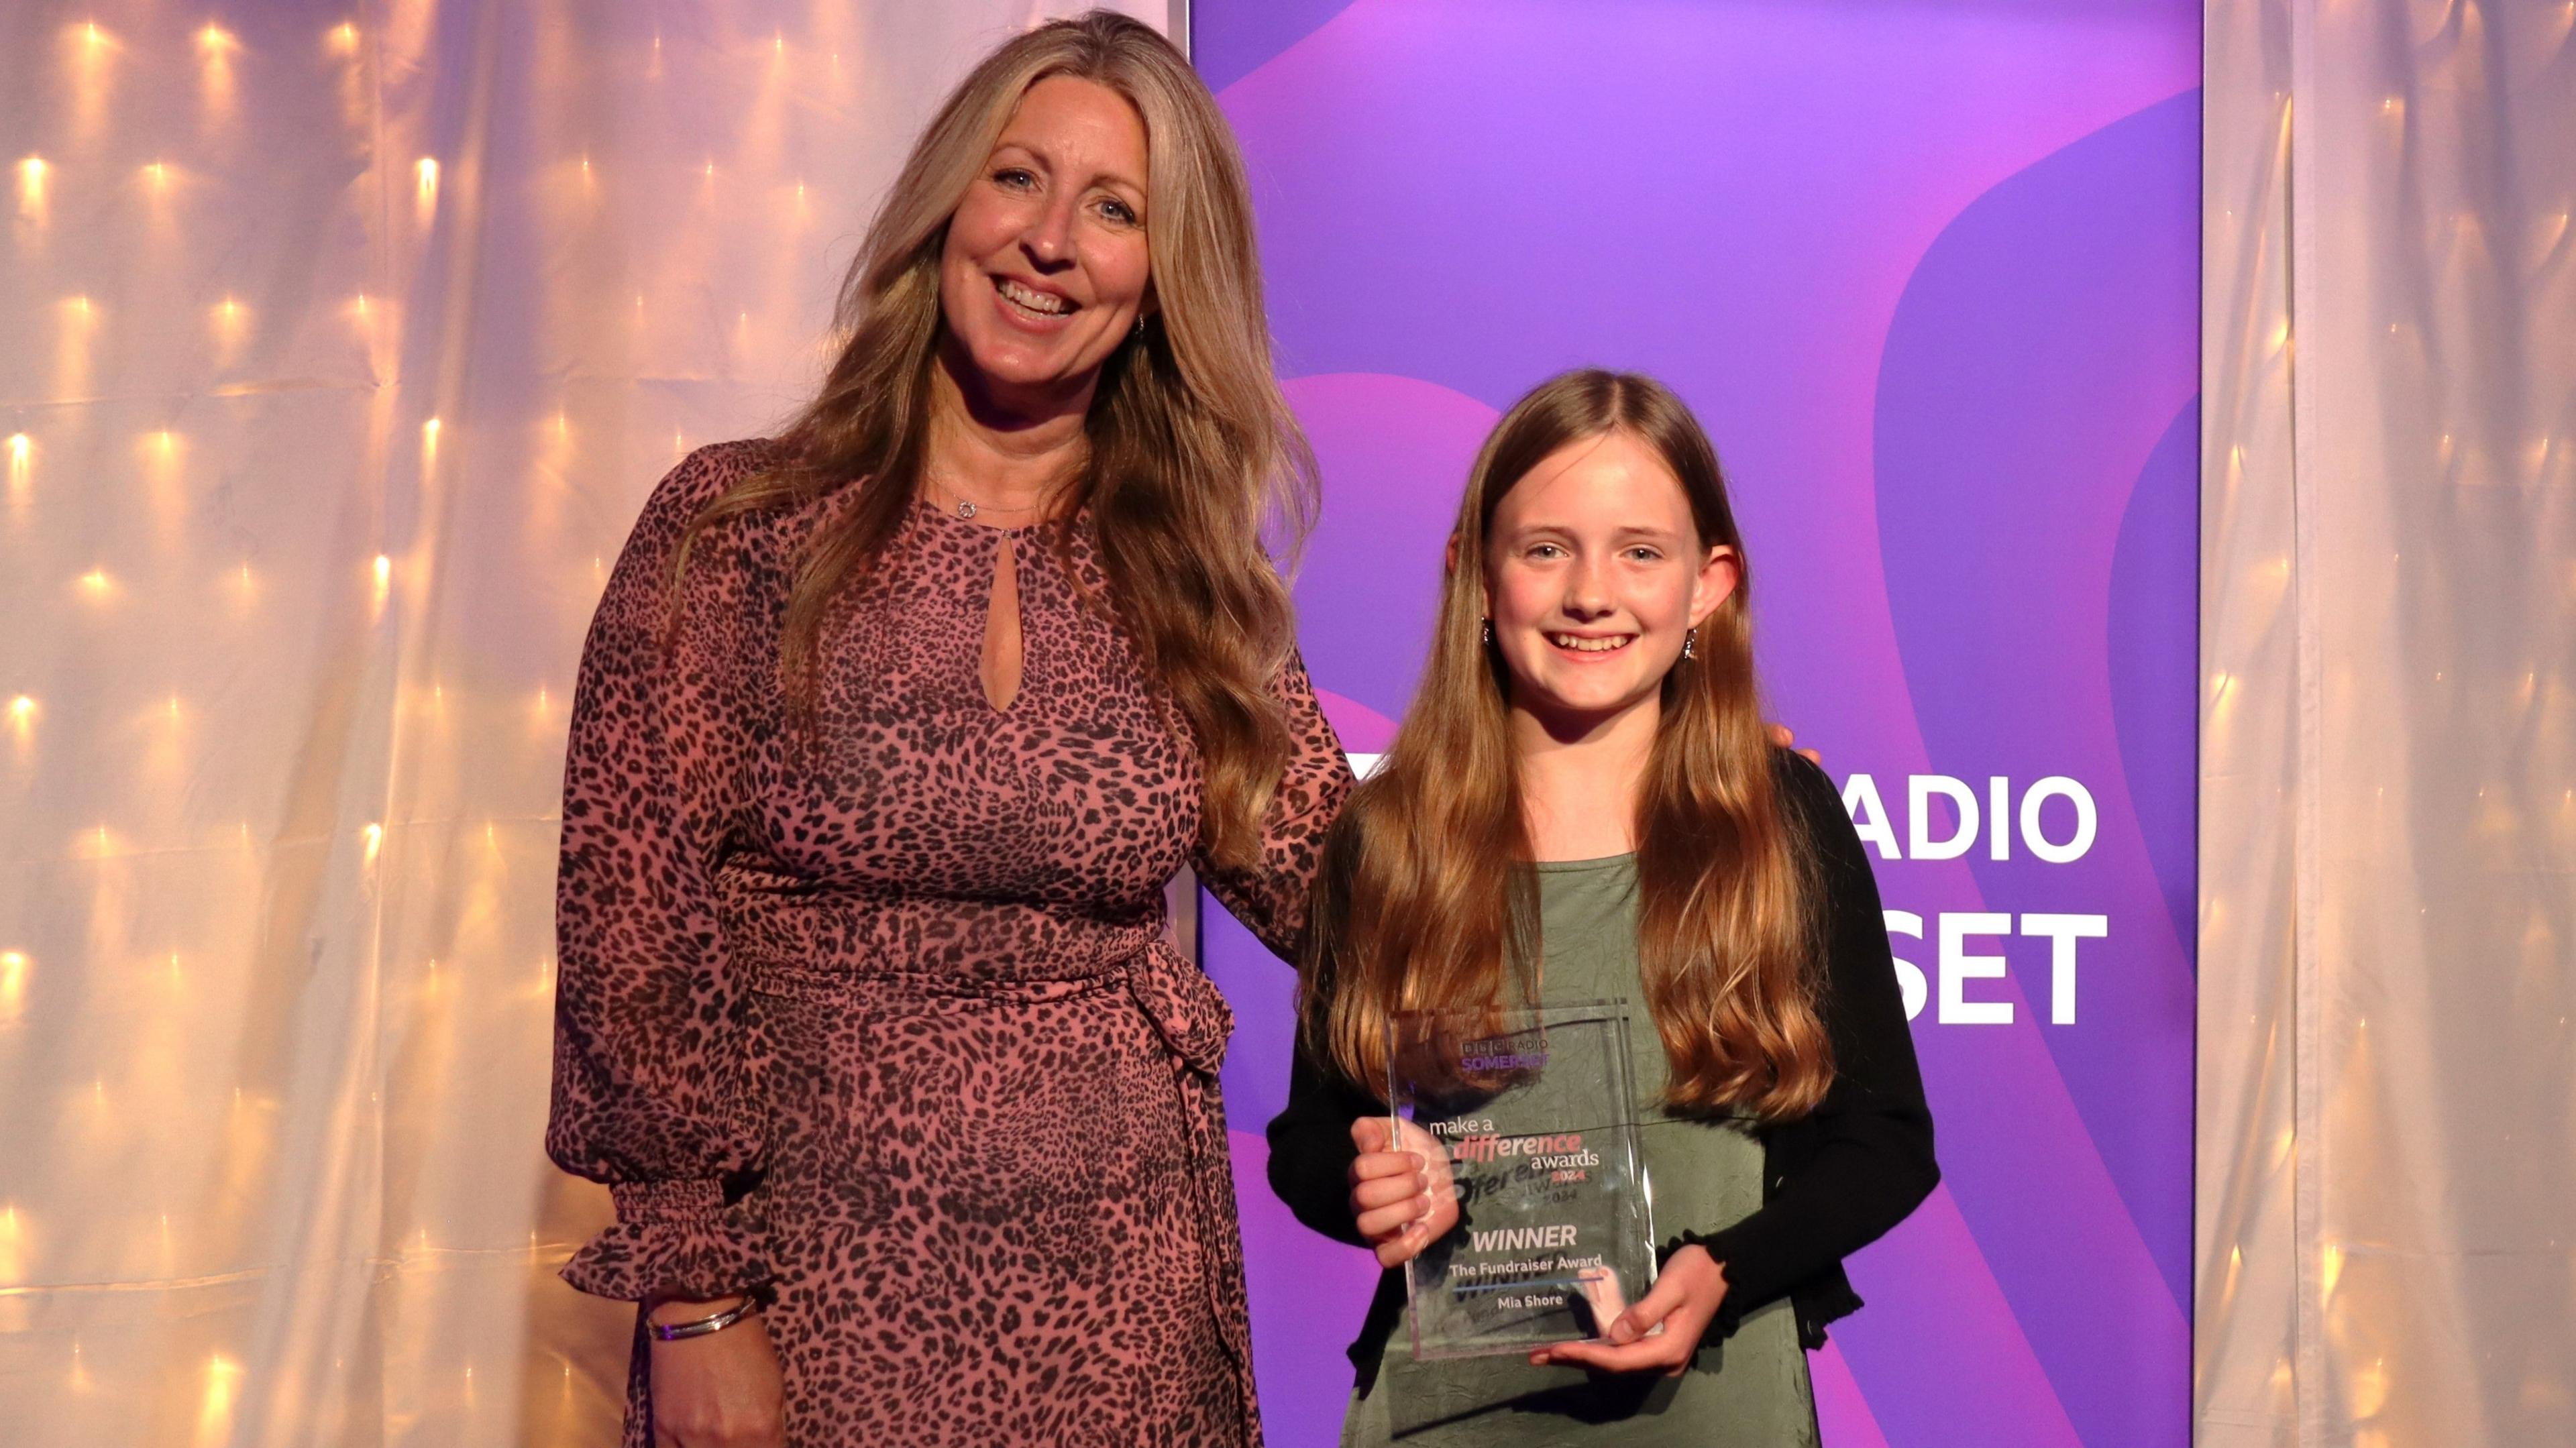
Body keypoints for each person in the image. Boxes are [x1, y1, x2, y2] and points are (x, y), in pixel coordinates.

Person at [543, 14, 1348, 1447]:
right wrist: (697, 1304)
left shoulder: (1189, 580)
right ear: (946, 206)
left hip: (1124, 1304)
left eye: (1116, 210)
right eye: (1018, 179)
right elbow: (637, 935)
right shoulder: (739, 532)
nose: (1051, 240)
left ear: (1164, 283)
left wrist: (1626, 770)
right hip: (813, 1294)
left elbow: (1350, 889)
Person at [1266, 370, 1939, 1445]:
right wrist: (1367, 1182)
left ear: (1708, 584)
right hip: (1446, 1418)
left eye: (1640, 550)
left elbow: (1888, 1142)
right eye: (1545, 549)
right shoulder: (1389, 835)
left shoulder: (1782, 818)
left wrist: (1724, 1269)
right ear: (1475, 577)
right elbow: (1306, 1137)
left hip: (1718, 1408)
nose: (1591, 594)